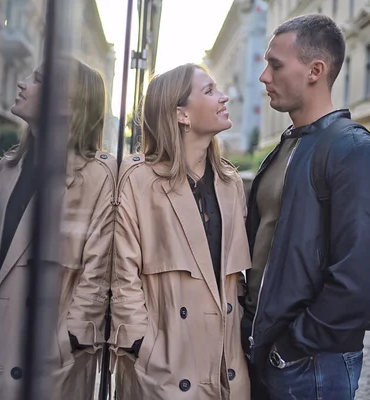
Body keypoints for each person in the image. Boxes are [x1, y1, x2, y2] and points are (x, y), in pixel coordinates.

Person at [241, 14, 370, 399]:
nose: (264, 76)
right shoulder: (287, 146)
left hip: (311, 363)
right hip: (263, 348)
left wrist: (293, 346)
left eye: (275, 65)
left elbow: (360, 279)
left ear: (315, 70)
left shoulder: (355, 152)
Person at [0, 58, 117, 400]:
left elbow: (100, 274)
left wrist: (67, 342)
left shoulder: (98, 179)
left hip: (49, 361)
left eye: (36, 79)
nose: (22, 83)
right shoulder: (10, 166)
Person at [111, 63, 251, 399]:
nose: (224, 97)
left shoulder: (230, 183)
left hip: (226, 368)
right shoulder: (139, 182)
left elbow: (235, 280)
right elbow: (121, 274)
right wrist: (142, 347)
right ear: (181, 115)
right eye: (209, 91)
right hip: (166, 372)